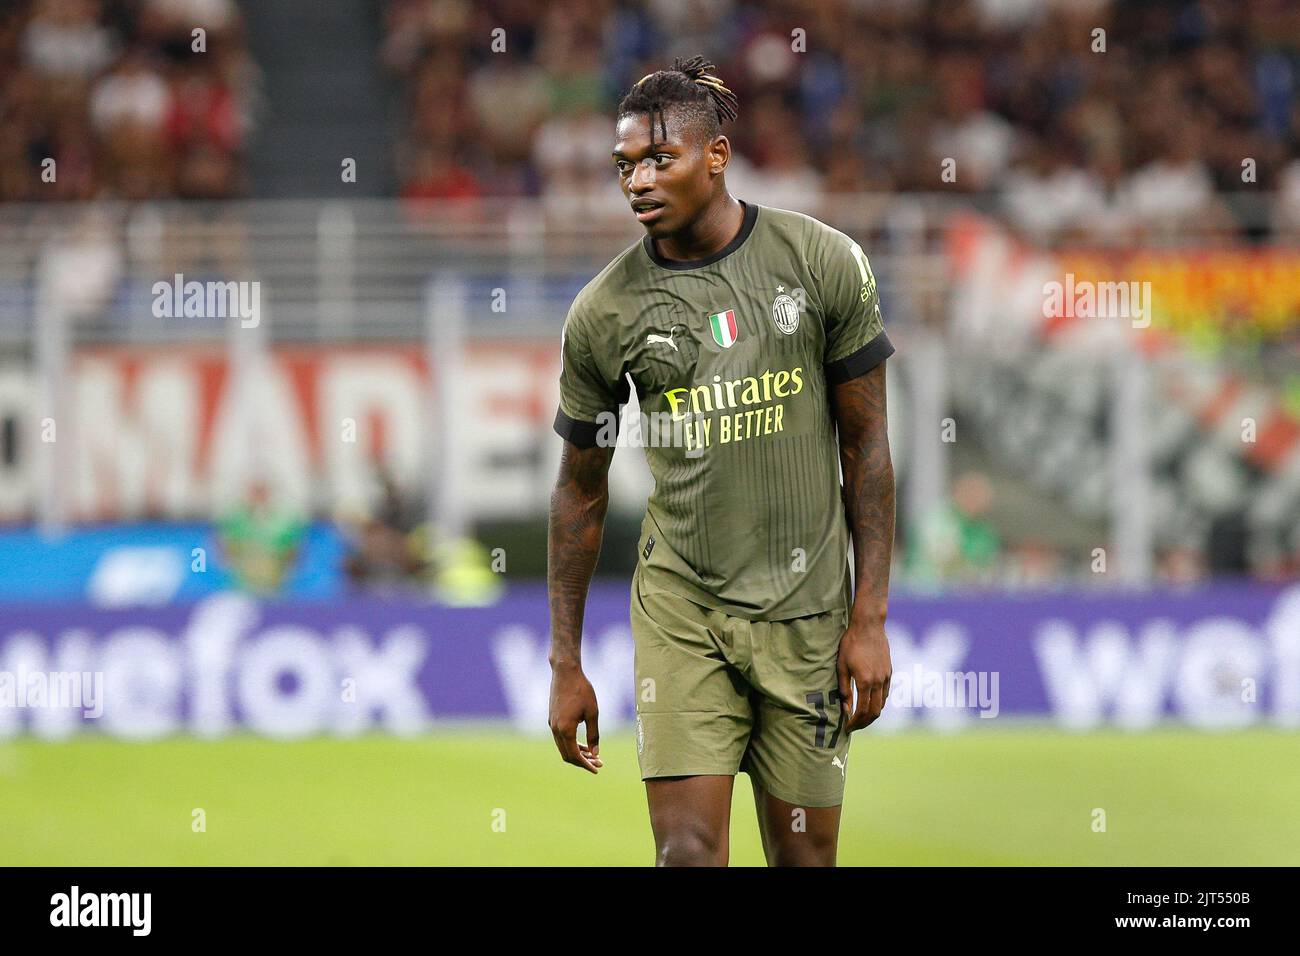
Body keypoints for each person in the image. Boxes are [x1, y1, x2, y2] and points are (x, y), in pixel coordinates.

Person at [546, 57, 896, 866]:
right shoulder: (603, 313)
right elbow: (579, 492)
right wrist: (566, 662)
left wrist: (869, 616)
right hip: (683, 614)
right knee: (689, 855)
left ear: (716, 156)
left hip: (808, 617)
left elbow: (867, 447)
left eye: (657, 160)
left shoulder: (821, 262)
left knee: (805, 858)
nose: (636, 180)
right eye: (624, 165)